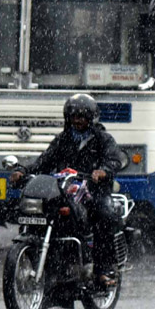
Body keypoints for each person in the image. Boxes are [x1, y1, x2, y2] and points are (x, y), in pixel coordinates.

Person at [18, 93, 127, 287]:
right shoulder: (63, 139)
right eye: (73, 116)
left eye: (82, 116)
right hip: (65, 191)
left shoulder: (103, 139)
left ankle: (104, 269)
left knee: (103, 215)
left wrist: (103, 171)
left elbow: (115, 159)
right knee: (44, 209)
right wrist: (24, 171)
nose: (77, 121)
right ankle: (49, 258)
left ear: (91, 118)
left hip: (94, 191)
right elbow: (44, 160)